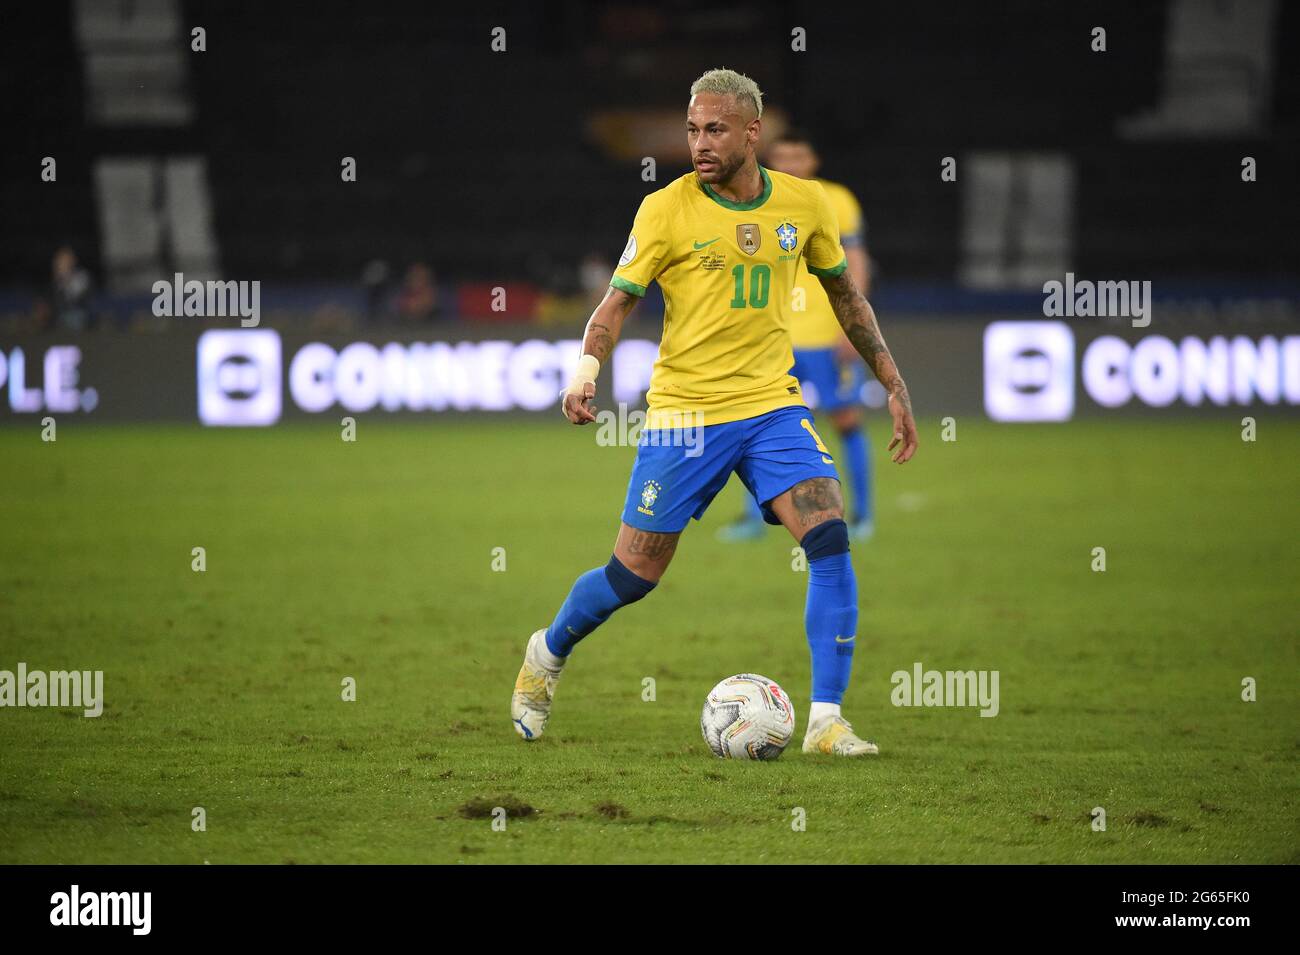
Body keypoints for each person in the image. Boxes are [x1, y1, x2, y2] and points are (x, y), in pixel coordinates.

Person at [511, 68, 917, 756]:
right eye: (693, 130)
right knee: (632, 576)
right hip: (684, 414)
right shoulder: (665, 209)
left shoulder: (804, 205)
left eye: (715, 130)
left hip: (770, 407)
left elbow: (847, 296)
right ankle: (545, 654)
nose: (699, 143)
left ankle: (825, 720)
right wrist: (586, 369)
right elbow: (615, 304)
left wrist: (893, 379)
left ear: (752, 133)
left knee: (828, 535)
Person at [718, 129, 875, 542]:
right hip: (772, 337)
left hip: (825, 334)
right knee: (754, 425)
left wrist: (851, 325)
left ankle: (862, 516)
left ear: (813, 161)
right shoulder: (754, 199)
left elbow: (856, 260)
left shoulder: (835, 200)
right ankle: (754, 520)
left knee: (845, 421)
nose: (790, 165)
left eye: (798, 157)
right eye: (782, 157)